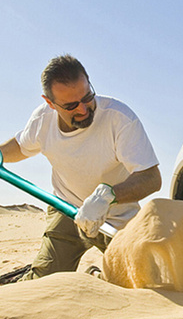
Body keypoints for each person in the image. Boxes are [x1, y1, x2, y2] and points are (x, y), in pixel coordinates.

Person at [0, 54, 161, 280]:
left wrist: (107, 196)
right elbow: (20, 146)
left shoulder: (119, 119)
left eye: (87, 97)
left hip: (115, 218)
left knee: (145, 282)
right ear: (50, 103)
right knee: (44, 282)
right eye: (71, 105)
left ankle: (97, 276)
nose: (84, 110)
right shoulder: (42, 120)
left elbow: (151, 178)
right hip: (66, 209)